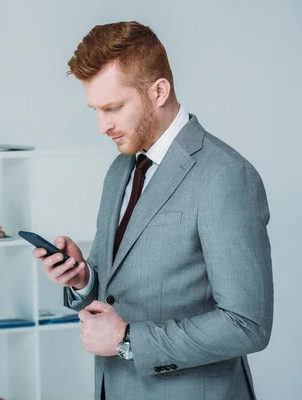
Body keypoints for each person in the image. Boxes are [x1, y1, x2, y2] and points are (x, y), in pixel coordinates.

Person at [32, 21, 273, 400]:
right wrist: (83, 278)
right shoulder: (121, 168)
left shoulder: (225, 175)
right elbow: (121, 287)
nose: (101, 125)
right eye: (95, 109)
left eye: (113, 107)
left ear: (159, 91)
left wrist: (128, 339)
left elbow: (247, 325)